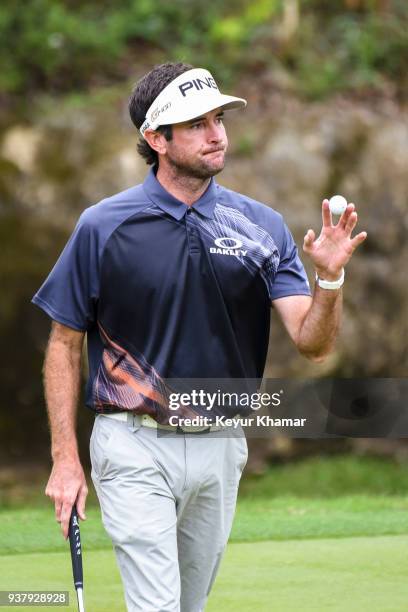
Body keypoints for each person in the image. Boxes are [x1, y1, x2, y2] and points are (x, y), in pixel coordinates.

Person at [32, 62, 367, 611]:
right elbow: (64, 344)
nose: (217, 134)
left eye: (219, 119)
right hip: (132, 444)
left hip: (220, 444)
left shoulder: (262, 226)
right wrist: (65, 458)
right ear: (155, 139)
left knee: (189, 605)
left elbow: (313, 342)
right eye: (196, 124)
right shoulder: (103, 226)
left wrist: (328, 279)